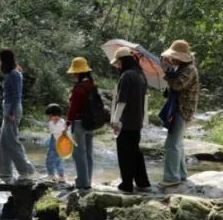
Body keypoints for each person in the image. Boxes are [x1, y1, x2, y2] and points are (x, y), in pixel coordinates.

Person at [110, 47, 151, 193]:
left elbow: (122, 101)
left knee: (124, 154)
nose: (118, 65)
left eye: (119, 62)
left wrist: (115, 120)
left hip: (125, 122)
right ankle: (143, 183)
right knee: (135, 152)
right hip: (137, 121)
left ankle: (126, 185)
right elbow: (144, 99)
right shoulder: (141, 75)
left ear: (123, 60)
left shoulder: (126, 76)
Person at [158, 40, 199, 188]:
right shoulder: (181, 68)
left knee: (171, 144)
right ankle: (181, 175)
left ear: (181, 57)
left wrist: (166, 72)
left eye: (174, 57)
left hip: (182, 110)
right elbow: (170, 89)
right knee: (178, 144)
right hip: (180, 108)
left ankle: (171, 178)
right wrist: (168, 71)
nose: (172, 59)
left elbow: (177, 85)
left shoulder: (189, 70)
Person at [0, 48, 36, 182]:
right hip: (7, 108)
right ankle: (4, 172)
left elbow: (17, 95)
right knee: (3, 141)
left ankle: (27, 170)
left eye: (0, 58)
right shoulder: (10, 73)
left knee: (11, 141)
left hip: (12, 109)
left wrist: (12, 112)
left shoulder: (15, 74)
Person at [65, 56, 102, 190]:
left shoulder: (79, 88)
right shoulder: (92, 85)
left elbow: (73, 108)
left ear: (78, 72)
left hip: (79, 124)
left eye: (75, 72)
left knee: (79, 154)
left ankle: (82, 183)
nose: (73, 74)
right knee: (88, 154)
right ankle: (88, 181)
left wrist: (67, 123)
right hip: (91, 124)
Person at [44, 103, 67, 182]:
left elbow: (56, 131)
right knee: (58, 160)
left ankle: (51, 175)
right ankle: (61, 176)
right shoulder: (59, 121)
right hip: (57, 143)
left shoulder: (60, 122)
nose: (49, 118)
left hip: (58, 144)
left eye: (50, 116)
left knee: (50, 159)